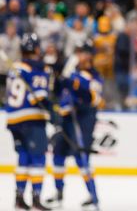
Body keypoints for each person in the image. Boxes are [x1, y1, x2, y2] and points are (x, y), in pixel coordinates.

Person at [47, 40, 103, 209]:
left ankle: (93, 195)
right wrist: (57, 77)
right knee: (58, 154)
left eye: (83, 52)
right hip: (66, 119)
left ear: (90, 55)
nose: (80, 56)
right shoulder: (71, 71)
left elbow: (92, 98)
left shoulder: (94, 75)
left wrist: (72, 82)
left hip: (83, 119)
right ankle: (58, 193)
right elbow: (57, 91)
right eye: (78, 52)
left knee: (81, 157)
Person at [5, 33, 51, 211]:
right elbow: (39, 97)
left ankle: (19, 197)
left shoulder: (16, 67)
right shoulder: (39, 69)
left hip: (13, 120)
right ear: (37, 49)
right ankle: (37, 198)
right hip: (32, 118)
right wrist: (52, 112)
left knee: (23, 158)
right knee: (38, 158)